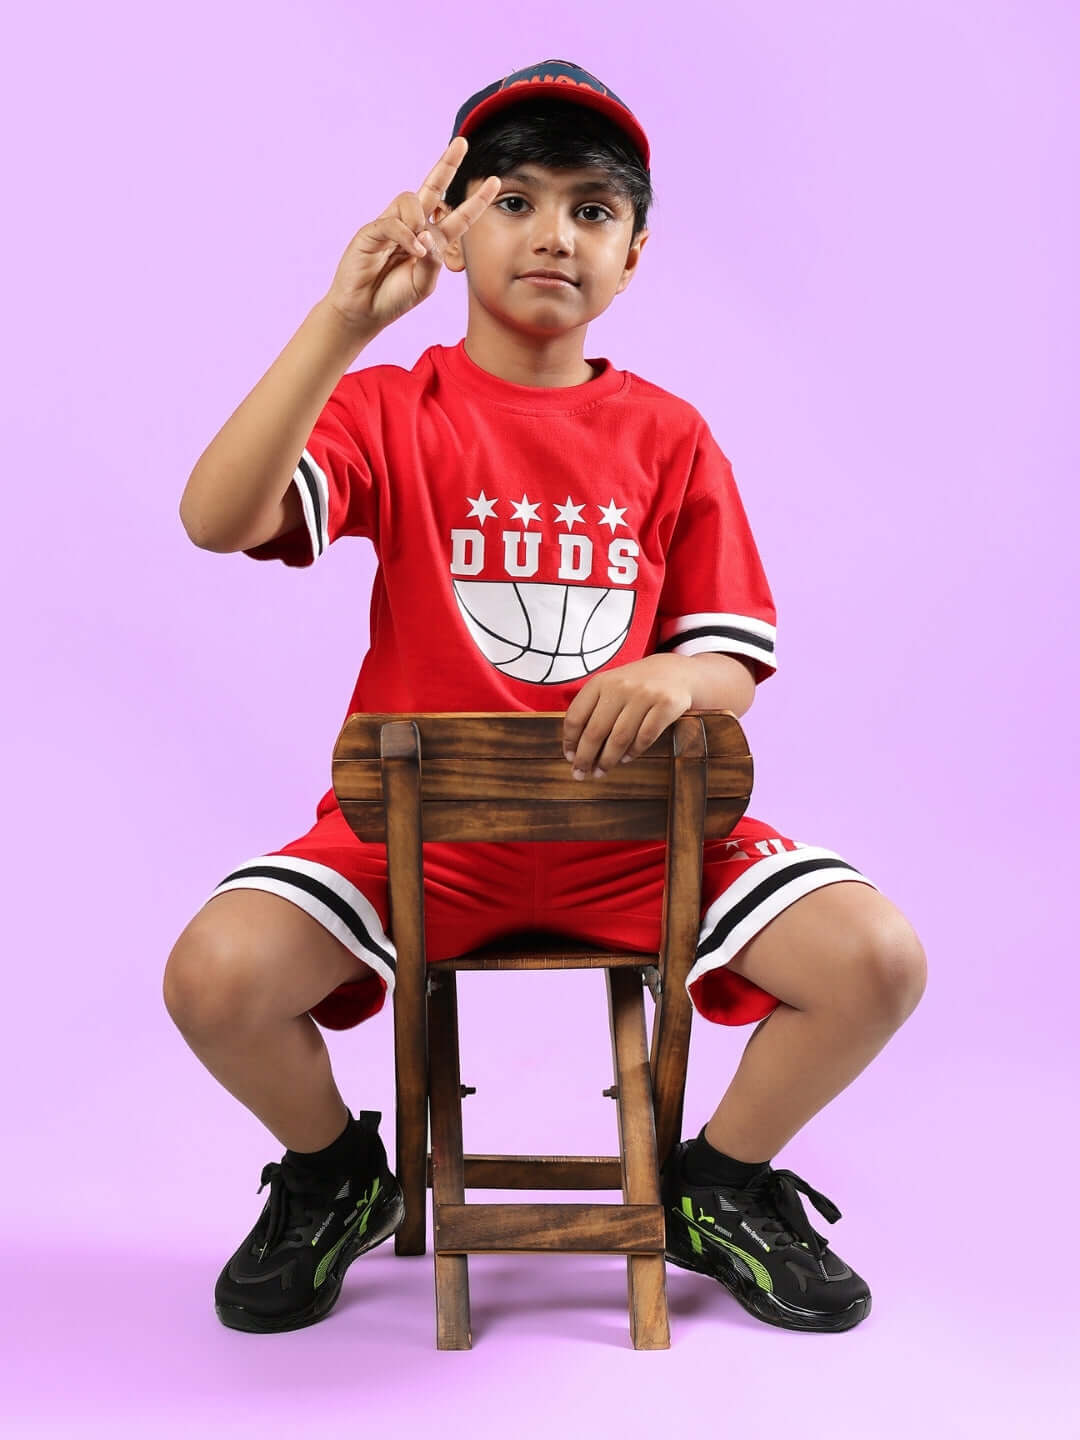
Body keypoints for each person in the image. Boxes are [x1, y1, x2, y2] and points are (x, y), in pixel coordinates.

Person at [167, 59, 927, 1338]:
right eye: (513, 200)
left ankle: (720, 1186)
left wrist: (678, 673)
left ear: (636, 253)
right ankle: (332, 1178)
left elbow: (735, 655)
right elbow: (215, 518)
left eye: (592, 208)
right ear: (454, 229)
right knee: (215, 976)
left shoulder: (671, 433)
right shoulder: (387, 409)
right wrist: (344, 321)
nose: (553, 234)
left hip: (634, 839)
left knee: (877, 961)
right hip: (421, 844)